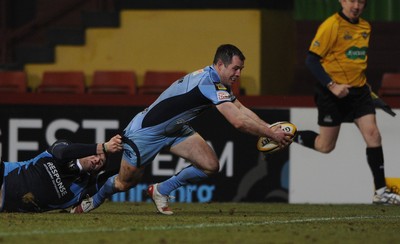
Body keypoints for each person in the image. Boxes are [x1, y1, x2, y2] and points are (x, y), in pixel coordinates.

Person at [71, 44, 293, 215]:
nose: (238, 74)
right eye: (235, 68)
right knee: (124, 183)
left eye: (241, 69)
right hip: (146, 133)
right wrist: (271, 133)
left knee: (210, 165)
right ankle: (93, 199)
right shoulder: (209, 83)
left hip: (175, 129)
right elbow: (237, 121)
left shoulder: (218, 81)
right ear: (220, 64)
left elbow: (239, 107)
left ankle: (161, 190)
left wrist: (268, 127)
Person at [294, 0, 400, 205]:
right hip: (332, 93)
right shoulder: (331, 25)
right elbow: (311, 60)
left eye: (361, 2)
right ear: (342, 1)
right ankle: (287, 135)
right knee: (325, 146)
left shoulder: (365, 27)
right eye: (352, 0)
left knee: (373, 135)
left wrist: (365, 87)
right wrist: (332, 85)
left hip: (359, 92)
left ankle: (381, 193)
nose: (356, 5)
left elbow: (354, 62)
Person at [0, 134, 123, 212]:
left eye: (100, 162)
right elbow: (65, 153)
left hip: (5, 205)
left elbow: (119, 174)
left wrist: (138, 159)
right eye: (96, 155)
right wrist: (104, 147)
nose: (96, 160)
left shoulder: (85, 187)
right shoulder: (62, 148)